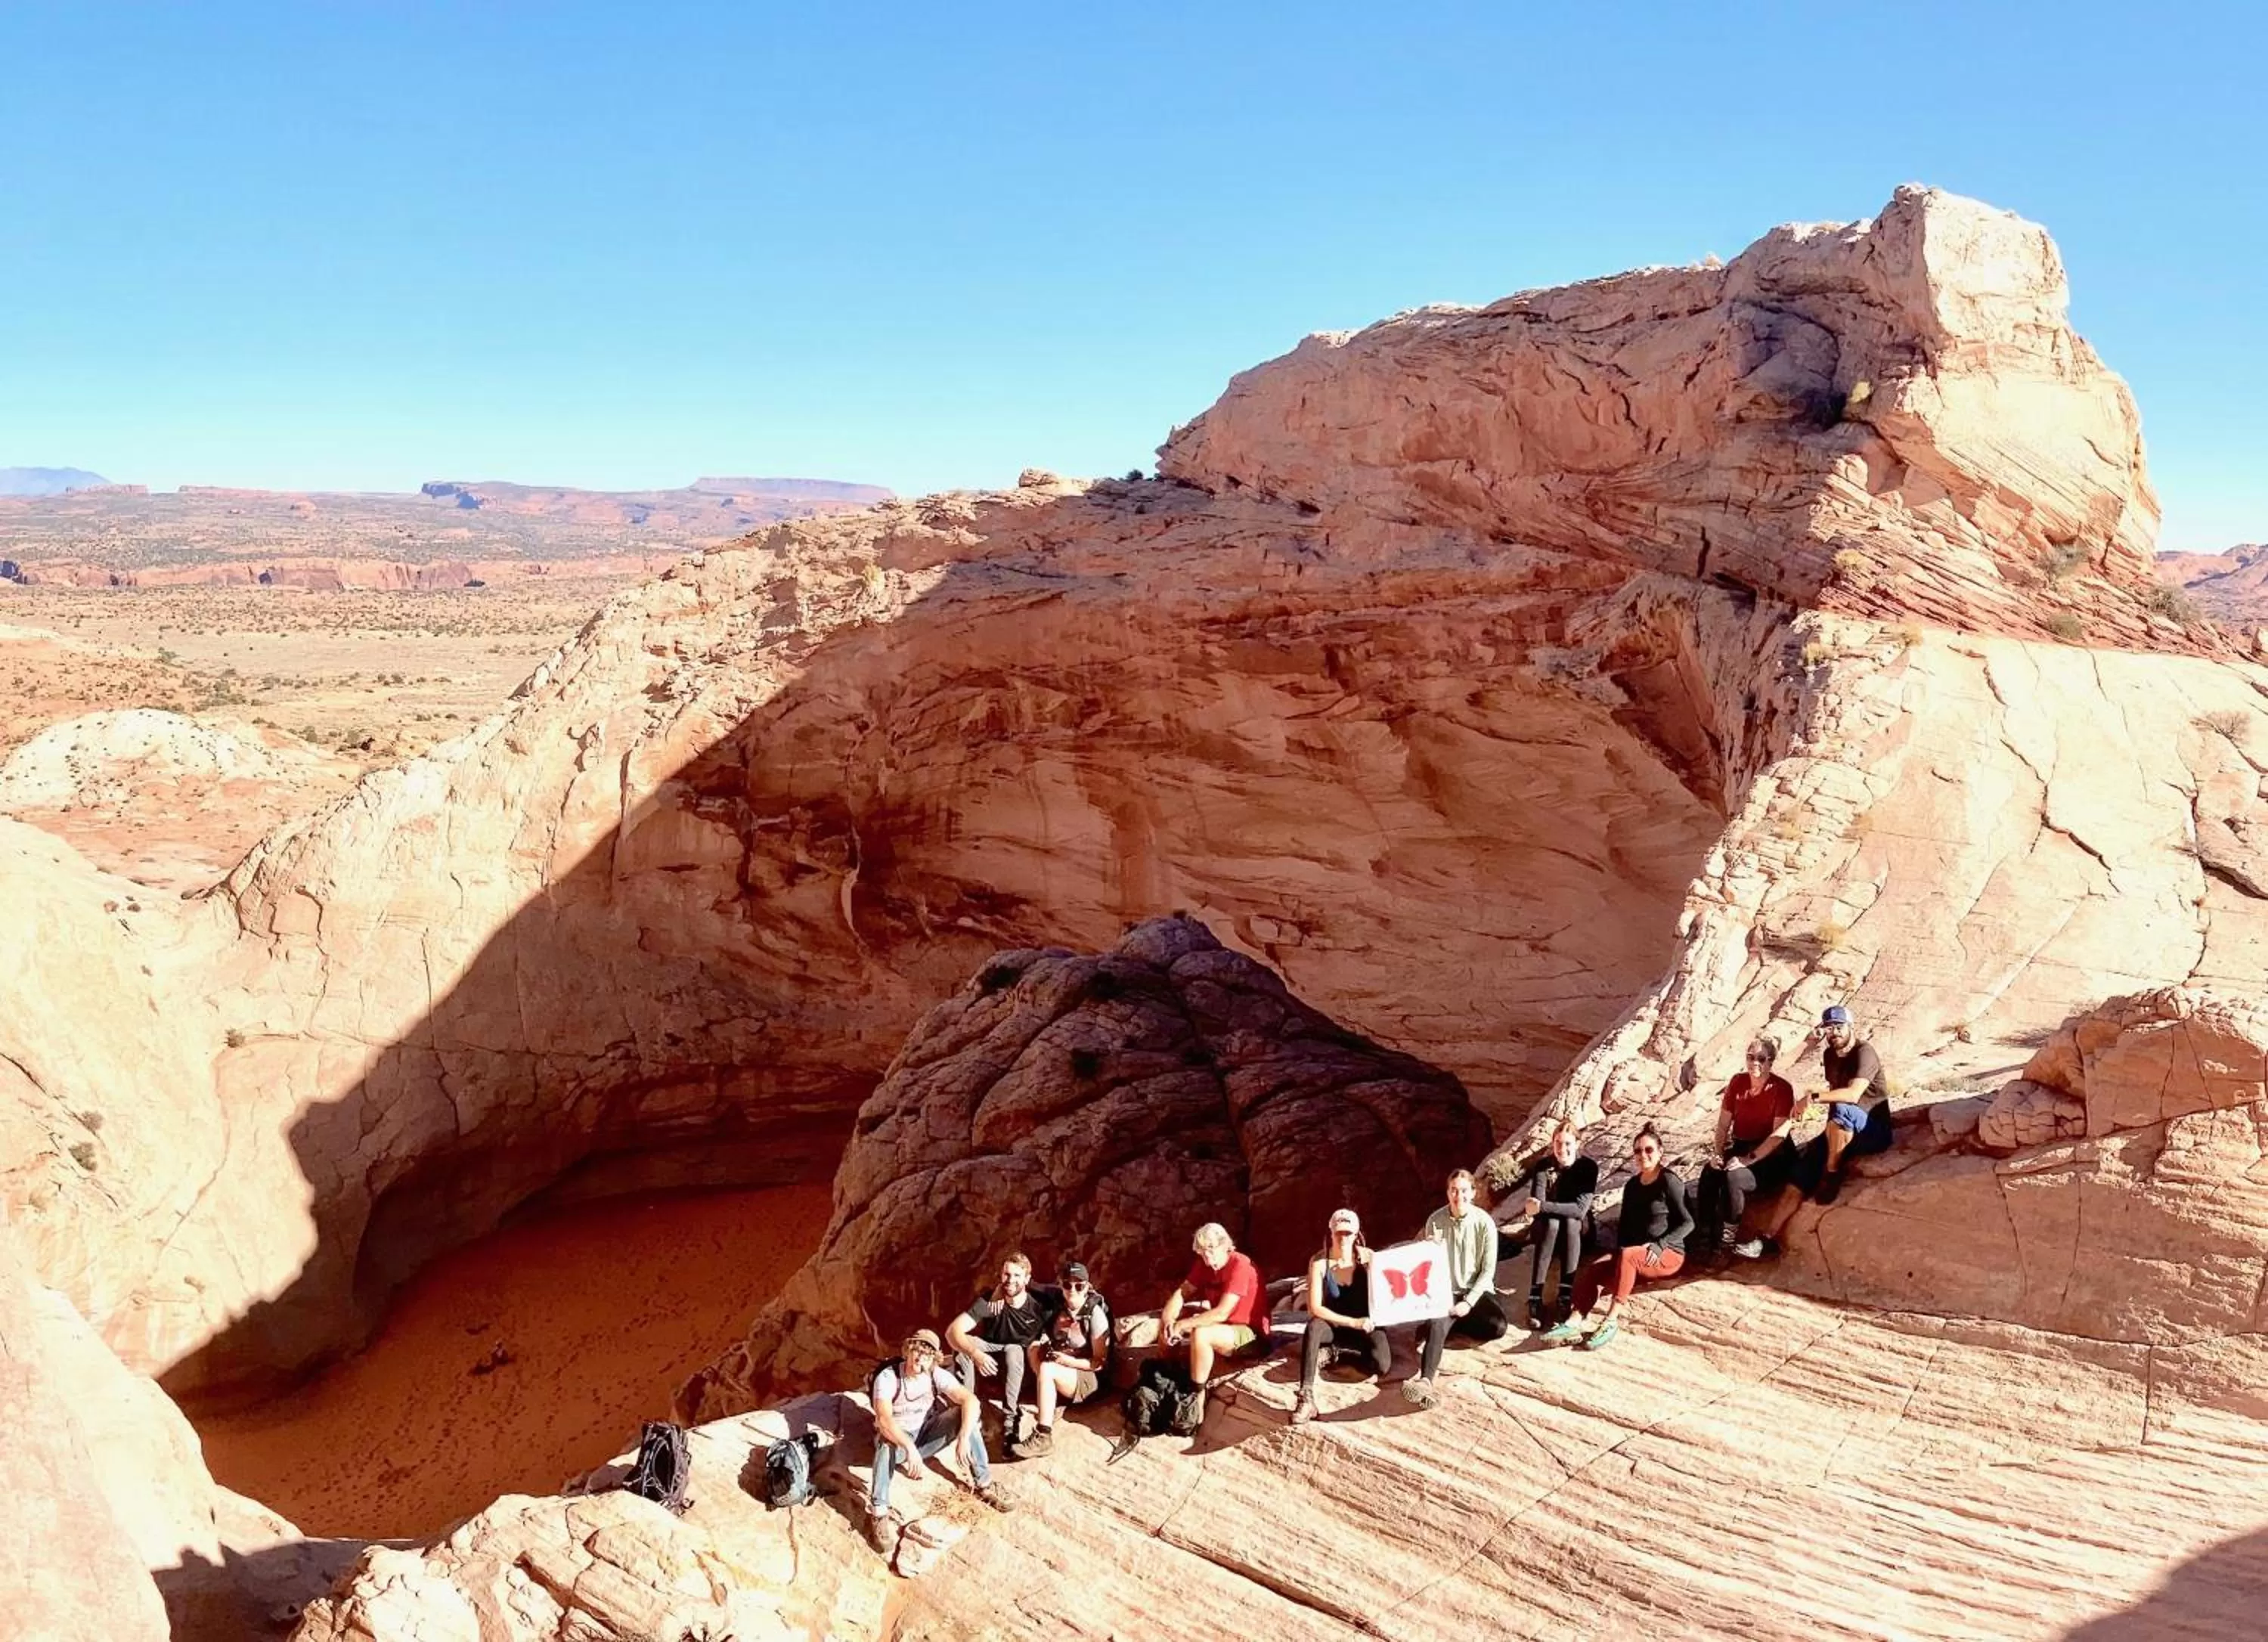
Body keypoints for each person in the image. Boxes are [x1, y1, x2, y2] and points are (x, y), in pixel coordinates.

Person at [1542, 1126, 1692, 1351]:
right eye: (1638, 1151)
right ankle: (1574, 1322)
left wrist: (1661, 1245)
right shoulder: (1632, 1186)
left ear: (1661, 1152)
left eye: (1649, 1150)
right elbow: (1626, 1226)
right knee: (1595, 1268)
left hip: (1668, 1254)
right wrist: (1618, 1259)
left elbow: (1688, 1222)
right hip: (1637, 1255)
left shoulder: (1669, 1182)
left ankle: (1611, 1321)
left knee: (1629, 1255)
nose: (1643, 1155)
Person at [867, 1328, 1011, 1557]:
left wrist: (963, 1436)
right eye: (915, 1350)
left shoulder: (935, 1374)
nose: (919, 1358)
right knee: (886, 1443)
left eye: (926, 1354)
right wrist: (910, 1449)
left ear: (933, 1358)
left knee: (965, 1416)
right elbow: (884, 1420)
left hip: (926, 1433)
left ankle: (983, 1483)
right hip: (900, 1441)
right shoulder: (889, 1377)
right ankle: (879, 1511)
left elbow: (970, 1400)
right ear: (906, 1351)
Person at [1408, 1169, 1510, 1406]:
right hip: (1446, 1290)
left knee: (1498, 1327)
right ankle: (1425, 1382)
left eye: (1464, 1190)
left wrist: (1469, 1302)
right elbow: (1427, 1263)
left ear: (1473, 1192)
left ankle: (1441, 1332)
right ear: (1447, 1192)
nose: (1458, 1195)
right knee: (1438, 1322)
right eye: (1454, 1190)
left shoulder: (1484, 1223)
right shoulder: (1435, 1220)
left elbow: (1487, 1271)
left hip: (1476, 1291)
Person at [1696, 1037, 1796, 1255]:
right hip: (1742, 1145)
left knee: (1735, 1178)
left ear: (1771, 1062)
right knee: (1710, 1172)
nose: (1755, 1063)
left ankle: (1727, 1241)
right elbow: (1723, 1125)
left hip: (1772, 1156)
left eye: (1761, 1058)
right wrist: (1718, 1153)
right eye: (1751, 1057)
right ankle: (1703, 1234)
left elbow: (1778, 1136)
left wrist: (1748, 1159)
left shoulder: (1782, 1089)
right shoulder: (1738, 1083)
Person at [1292, 1208, 1391, 1426]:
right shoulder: (1319, 1263)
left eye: (1348, 1233)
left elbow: (1393, 1284)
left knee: (1381, 1364)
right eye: (1339, 1233)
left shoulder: (1369, 1259)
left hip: (1366, 1325)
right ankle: (1306, 1396)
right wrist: (1351, 1322)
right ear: (1331, 1233)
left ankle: (1336, 1354)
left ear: (1356, 1234)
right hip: (1335, 1325)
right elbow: (1315, 1308)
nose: (1343, 1238)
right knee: (1314, 1327)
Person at [945, 1252, 1049, 1446]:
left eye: (1017, 1276)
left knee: (1014, 1350)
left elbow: (1069, 1297)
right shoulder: (990, 1302)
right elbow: (952, 1332)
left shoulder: (1039, 1305)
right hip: (991, 1364)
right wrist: (975, 1354)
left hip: (1021, 1370)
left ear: (1027, 1279)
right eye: (1007, 1275)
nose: (1010, 1280)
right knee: (964, 1343)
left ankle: (1010, 1420)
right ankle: (968, 1406)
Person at [1014, 1260, 1109, 1458]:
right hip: (1063, 1370)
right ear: (1061, 1285)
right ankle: (1049, 1401)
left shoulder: (1095, 1314)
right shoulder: (1057, 1301)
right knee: (1033, 1348)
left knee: (1048, 1369)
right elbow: (1032, 1285)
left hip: (1086, 1377)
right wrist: (999, 1290)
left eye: (1079, 1285)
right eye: (1067, 1284)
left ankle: (1043, 1435)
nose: (1072, 1289)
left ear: (1087, 1287)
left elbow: (1099, 1362)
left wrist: (1067, 1361)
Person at [1160, 1222, 1267, 1397]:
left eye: (1211, 1251)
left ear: (1225, 1245)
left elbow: (1222, 1312)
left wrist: (1182, 1325)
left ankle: (1197, 1396)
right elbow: (1182, 1292)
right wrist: (1170, 1321)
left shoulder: (1241, 1266)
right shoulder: (1205, 1265)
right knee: (1168, 1323)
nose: (1208, 1259)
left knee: (1201, 1333)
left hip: (1250, 1334)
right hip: (1225, 1328)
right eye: (1203, 1253)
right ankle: (1165, 1373)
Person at [1512, 1121, 1598, 1328]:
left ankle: (1565, 1295)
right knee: (1552, 1224)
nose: (1562, 1149)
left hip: (1577, 1233)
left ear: (1578, 1143)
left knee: (1569, 1222)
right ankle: (1535, 1297)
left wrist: (1544, 1206)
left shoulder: (1587, 1167)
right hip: (1547, 1233)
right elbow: (1535, 1207)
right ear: (1552, 1144)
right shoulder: (1543, 1166)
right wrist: (1543, 1208)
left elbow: (1579, 1210)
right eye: (1558, 1143)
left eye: (1568, 1143)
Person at [1807, 1005, 1893, 1204]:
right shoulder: (1830, 1055)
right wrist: (1829, 1131)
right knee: (1810, 1154)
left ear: (1851, 1027)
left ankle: (1833, 1175)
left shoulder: (1865, 1052)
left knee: (1842, 1106)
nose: (1834, 1032)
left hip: (1874, 1130)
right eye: (1829, 1028)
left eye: (1839, 1027)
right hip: (1846, 1125)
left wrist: (1812, 1098)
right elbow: (1834, 1090)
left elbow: (1852, 1095)